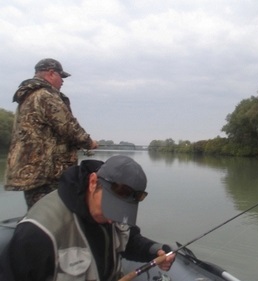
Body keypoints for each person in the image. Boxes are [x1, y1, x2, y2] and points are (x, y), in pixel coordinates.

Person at [0, 155, 176, 281]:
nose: (111, 220)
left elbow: (130, 241)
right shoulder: (37, 233)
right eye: (110, 208)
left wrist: (155, 250)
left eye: (121, 211)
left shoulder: (113, 217)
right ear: (93, 182)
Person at [4, 58, 98, 209]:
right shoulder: (45, 95)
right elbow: (68, 126)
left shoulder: (28, 96)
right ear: (51, 73)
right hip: (46, 173)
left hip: (32, 171)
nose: (63, 81)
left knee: (37, 211)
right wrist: (89, 143)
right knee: (50, 214)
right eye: (62, 76)